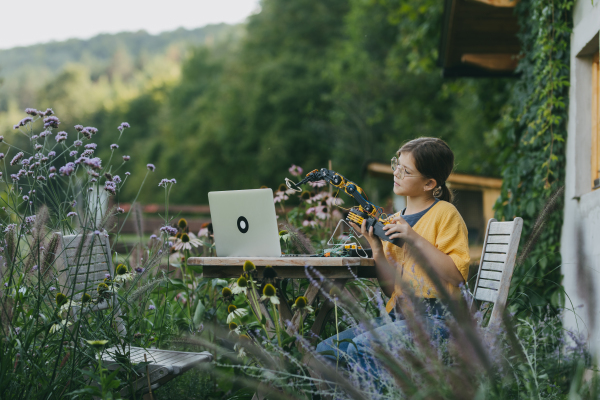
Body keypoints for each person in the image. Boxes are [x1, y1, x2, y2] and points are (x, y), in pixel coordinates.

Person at [315, 137, 471, 371]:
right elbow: (391, 289)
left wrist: (414, 239)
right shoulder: (393, 221)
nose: (396, 173)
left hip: (438, 319)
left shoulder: (445, 214)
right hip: (400, 317)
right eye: (396, 165)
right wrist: (376, 246)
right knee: (326, 351)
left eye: (406, 171)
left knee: (361, 346)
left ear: (429, 183)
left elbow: (457, 275)